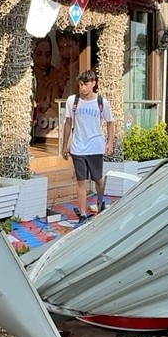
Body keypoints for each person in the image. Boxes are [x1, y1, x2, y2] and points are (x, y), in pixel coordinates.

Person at [61, 70, 115, 224]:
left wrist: (110, 142)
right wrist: (65, 145)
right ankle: (83, 214)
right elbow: (68, 123)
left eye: (86, 84)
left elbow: (110, 123)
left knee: (98, 179)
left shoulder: (101, 102)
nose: (83, 87)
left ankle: (100, 201)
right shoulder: (73, 101)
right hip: (78, 147)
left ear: (93, 83)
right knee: (81, 181)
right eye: (80, 84)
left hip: (96, 147)